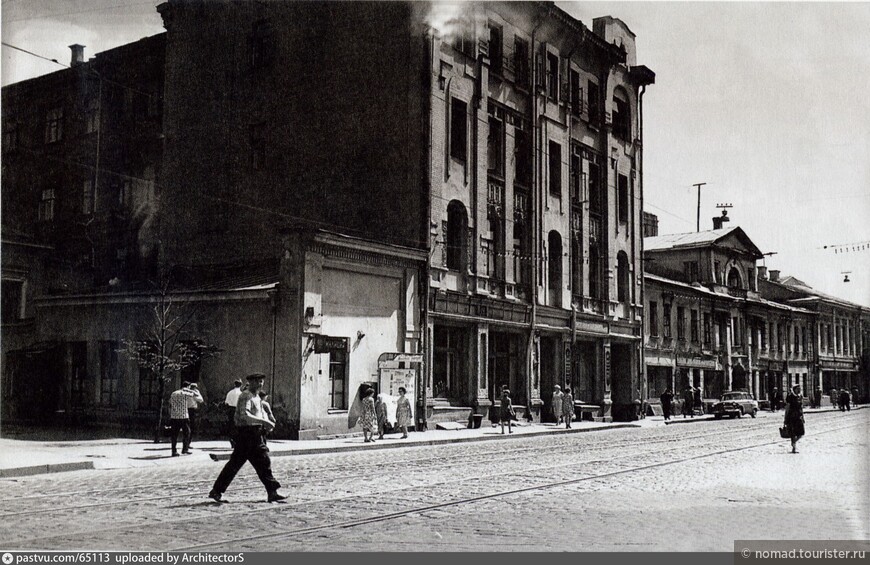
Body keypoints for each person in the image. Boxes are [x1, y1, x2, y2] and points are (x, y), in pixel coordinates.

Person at [209, 373, 286, 503]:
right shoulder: (246, 395)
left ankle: (217, 491)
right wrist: (264, 422)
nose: (260, 384)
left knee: (253, 463)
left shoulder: (256, 397)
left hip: (255, 433)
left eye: (261, 382)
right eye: (257, 382)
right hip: (247, 434)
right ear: (250, 382)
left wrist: (266, 424)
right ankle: (272, 491)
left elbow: (258, 413)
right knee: (259, 462)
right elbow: (245, 415)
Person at [168, 381, 203, 457]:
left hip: (174, 416)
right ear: (187, 387)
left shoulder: (173, 393)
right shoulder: (186, 394)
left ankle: (173, 451)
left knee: (174, 435)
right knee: (187, 433)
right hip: (184, 416)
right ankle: (185, 449)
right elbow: (196, 395)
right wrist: (191, 390)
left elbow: (170, 402)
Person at [783, 384, 805, 453]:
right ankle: (794, 448)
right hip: (791, 417)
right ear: (794, 389)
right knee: (793, 433)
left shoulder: (800, 396)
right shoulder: (790, 397)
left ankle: (794, 443)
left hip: (799, 417)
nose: (799, 390)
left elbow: (801, 407)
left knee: (801, 433)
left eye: (800, 389)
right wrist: (785, 418)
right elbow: (787, 408)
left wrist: (803, 417)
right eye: (798, 389)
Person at [223, 379, 243, 447]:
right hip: (238, 409)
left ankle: (232, 440)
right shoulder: (241, 394)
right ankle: (237, 441)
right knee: (238, 426)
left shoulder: (230, 392)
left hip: (231, 409)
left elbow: (226, 402)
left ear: (234, 384)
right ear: (241, 385)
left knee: (231, 425)